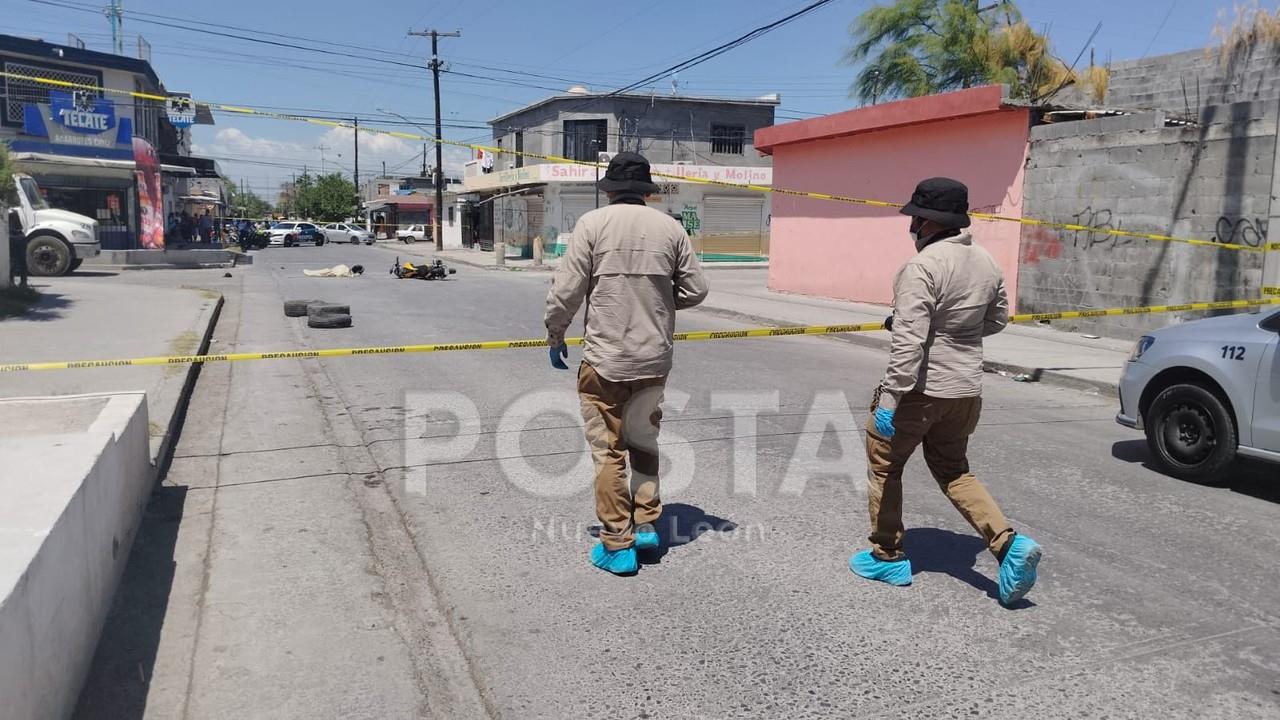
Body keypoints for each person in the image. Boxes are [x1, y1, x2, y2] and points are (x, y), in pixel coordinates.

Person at [851, 177, 1042, 606]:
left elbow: (910, 342)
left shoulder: (922, 266)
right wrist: (956, 332)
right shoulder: (987, 262)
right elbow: (996, 321)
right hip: (964, 391)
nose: (911, 224)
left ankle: (887, 555)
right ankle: (1008, 546)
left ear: (928, 221)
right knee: (955, 471)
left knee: (885, 466)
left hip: (919, 391)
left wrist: (889, 399)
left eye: (915, 216)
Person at [544, 152, 709, 576]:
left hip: (605, 360)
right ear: (647, 190)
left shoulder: (593, 224)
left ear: (610, 189)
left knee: (608, 451)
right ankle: (648, 525)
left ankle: (618, 543)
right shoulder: (671, 228)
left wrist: (556, 332)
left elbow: (567, 290)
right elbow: (696, 290)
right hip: (654, 360)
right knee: (644, 442)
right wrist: (661, 303)